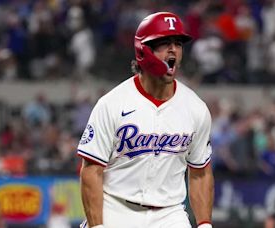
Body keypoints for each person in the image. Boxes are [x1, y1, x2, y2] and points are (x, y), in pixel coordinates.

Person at [77, 12, 214, 228]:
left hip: (169, 214)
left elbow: (200, 172)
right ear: (143, 50)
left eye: (178, 44)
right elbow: (91, 170)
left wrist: (205, 224)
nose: (173, 50)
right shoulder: (112, 103)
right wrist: (97, 226)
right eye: (164, 43)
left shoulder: (195, 108)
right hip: (116, 207)